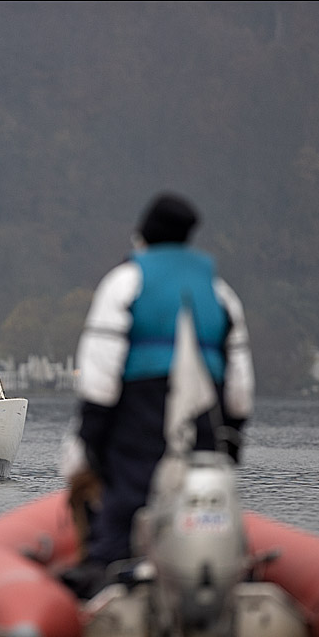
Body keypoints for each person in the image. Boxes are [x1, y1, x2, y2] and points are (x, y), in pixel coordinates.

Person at [62, 192, 255, 598]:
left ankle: (106, 575)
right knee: (194, 491)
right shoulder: (219, 291)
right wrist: (233, 436)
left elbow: (99, 370)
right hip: (206, 416)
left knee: (123, 503)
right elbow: (239, 378)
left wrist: (91, 439)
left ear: (144, 234)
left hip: (138, 413)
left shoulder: (125, 282)